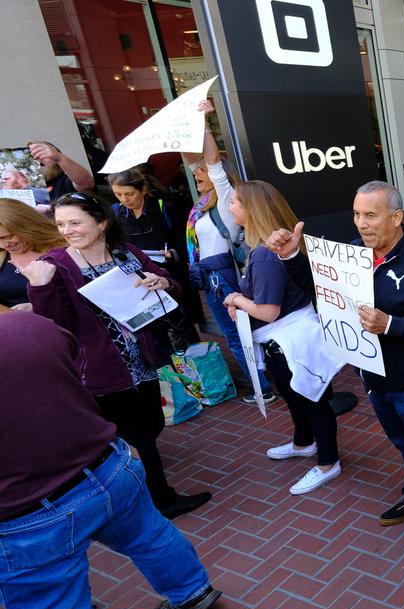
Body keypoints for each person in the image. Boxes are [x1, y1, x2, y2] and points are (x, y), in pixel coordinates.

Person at [0, 311, 222, 609]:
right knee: (150, 535)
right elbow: (70, 368)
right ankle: (192, 590)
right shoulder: (30, 326)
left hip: (24, 514)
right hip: (104, 467)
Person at [266, 181, 404, 542]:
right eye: (357, 214)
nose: (361, 223)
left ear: (397, 216)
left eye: (371, 215)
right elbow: (321, 288)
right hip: (375, 381)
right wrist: (292, 256)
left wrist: (391, 324)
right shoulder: (354, 254)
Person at [23, 192, 212, 519]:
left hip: (144, 359)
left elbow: (174, 290)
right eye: (61, 224)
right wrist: (39, 288)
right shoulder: (56, 266)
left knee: (151, 424)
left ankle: (133, 486)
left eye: (75, 222)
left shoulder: (126, 253)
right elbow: (57, 325)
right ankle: (161, 501)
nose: (68, 230)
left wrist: (162, 282)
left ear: (102, 223)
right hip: (103, 369)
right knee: (139, 434)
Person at [222, 180, 343, 496]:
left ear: (252, 209)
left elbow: (269, 311)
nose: (230, 206)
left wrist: (236, 299)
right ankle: (304, 443)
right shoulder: (264, 248)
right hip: (288, 342)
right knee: (296, 396)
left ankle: (328, 463)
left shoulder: (263, 254)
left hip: (291, 343)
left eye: (234, 201)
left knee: (312, 401)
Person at [182, 99, 274, 404]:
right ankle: (263, 380)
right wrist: (185, 129)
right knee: (239, 331)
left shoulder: (224, 198)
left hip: (224, 276)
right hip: (210, 278)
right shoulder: (202, 204)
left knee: (239, 333)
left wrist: (205, 125)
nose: (197, 174)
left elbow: (213, 164)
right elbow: (192, 159)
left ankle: (262, 386)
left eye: (201, 172)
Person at [108, 167, 202, 343]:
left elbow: (187, 241)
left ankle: (197, 364)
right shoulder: (115, 213)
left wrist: (173, 252)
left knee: (182, 327)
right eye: (118, 194)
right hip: (138, 279)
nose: (124, 199)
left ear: (143, 189)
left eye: (129, 194)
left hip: (170, 275)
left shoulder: (164, 207)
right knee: (154, 332)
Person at [0, 197, 65, 309]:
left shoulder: (64, 249)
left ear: (27, 226)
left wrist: (36, 306)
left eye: (7, 237)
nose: (3, 245)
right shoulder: (2, 253)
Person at [27, 140, 95, 198]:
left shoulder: (66, 180)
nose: (36, 159)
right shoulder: (31, 190)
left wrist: (59, 157)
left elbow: (86, 183)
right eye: (31, 156)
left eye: (40, 153)